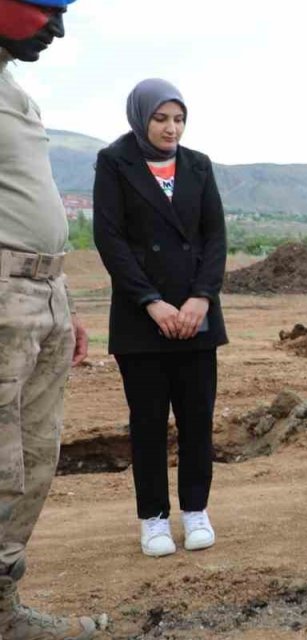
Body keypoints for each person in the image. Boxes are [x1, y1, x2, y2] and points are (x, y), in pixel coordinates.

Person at [94, 79, 228, 558]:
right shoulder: (114, 162)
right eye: (161, 118)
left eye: (179, 119)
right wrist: (151, 301)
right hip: (141, 320)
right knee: (148, 423)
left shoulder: (199, 165)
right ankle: (152, 519)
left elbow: (215, 237)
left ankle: (196, 511)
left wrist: (201, 298)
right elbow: (110, 239)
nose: (172, 128)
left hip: (196, 317)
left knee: (197, 419)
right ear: (141, 118)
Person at [0, 0, 99, 636]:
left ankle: (4, 612)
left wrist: (63, 298)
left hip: (43, 292)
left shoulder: (12, 87)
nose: (57, 29)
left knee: (35, 459)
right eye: (44, 9)